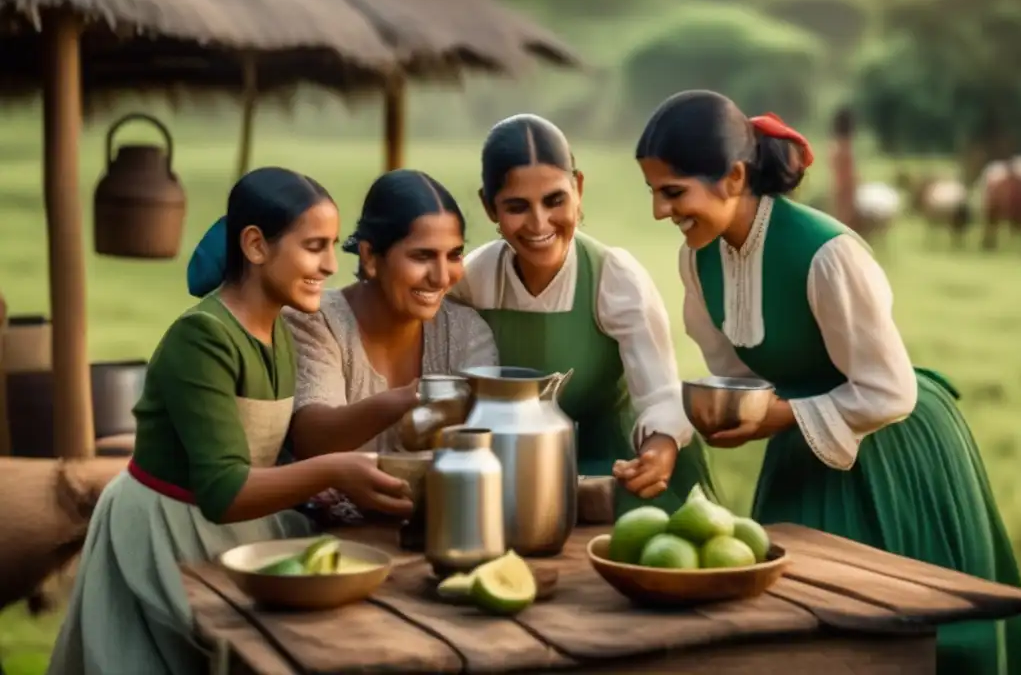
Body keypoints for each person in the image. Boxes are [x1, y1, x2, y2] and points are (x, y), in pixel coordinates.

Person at [634, 89, 1021, 675]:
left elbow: (889, 391)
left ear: (734, 177)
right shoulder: (700, 258)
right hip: (804, 450)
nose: (661, 212)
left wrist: (777, 418)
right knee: (794, 639)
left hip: (893, 447)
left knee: (910, 645)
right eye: (654, 194)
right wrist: (684, 429)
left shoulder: (827, 253)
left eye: (673, 193)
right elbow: (733, 376)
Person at [47, 168, 413, 675]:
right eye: (314, 246)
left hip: (239, 525)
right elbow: (222, 489)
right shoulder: (202, 340)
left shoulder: (279, 333)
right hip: (170, 531)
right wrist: (335, 470)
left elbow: (267, 448)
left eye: (333, 246)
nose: (331, 264)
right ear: (256, 246)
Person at [450, 113, 718, 516]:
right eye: (517, 206)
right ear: (490, 208)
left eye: (554, 200)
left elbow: (661, 394)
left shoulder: (613, 277)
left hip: (616, 467)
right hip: (523, 471)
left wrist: (658, 448)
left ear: (578, 188)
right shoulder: (474, 278)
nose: (539, 223)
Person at [284, 169, 498, 525]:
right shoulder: (315, 322)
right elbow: (312, 440)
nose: (442, 276)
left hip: (442, 531)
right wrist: (410, 398)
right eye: (422, 256)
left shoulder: (466, 331)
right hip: (326, 539)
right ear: (369, 256)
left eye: (454, 255)